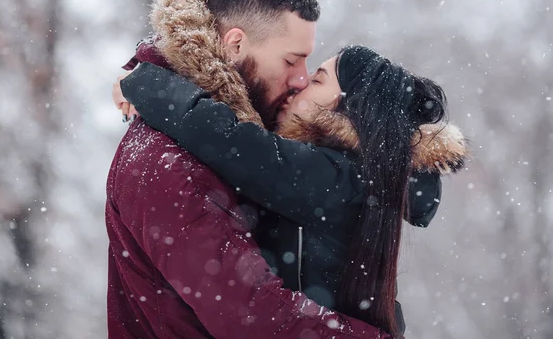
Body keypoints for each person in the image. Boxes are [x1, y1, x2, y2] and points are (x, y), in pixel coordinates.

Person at [106, 0, 401, 339]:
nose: (300, 80)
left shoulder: (235, 135)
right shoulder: (166, 162)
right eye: (291, 61)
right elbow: (258, 319)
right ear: (235, 44)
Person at [116, 45, 468, 337]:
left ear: (348, 109)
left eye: (317, 79)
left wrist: (145, 82)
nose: (300, 83)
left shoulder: (335, 176)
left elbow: (232, 141)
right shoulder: (367, 176)